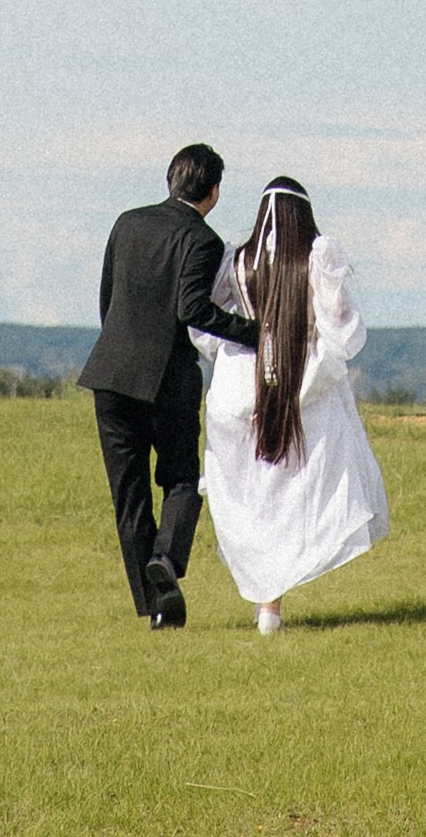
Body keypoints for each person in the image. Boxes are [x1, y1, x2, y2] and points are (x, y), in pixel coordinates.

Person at [195, 173, 391, 632]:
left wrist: (249, 342)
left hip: (240, 388)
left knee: (255, 495)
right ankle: (273, 600)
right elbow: (342, 328)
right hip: (307, 384)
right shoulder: (317, 255)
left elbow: (206, 323)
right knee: (299, 491)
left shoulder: (238, 260)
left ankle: (268, 602)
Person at [77, 140, 258, 628]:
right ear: (214, 191)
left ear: (170, 180)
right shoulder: (203, 241)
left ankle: (157, 609)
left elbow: (108, 298)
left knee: (129, 494)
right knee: (179, 479)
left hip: (109, 375)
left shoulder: (127, 222)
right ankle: (167, 562)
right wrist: (256, 334)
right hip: (167, 377)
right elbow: (193, 311)